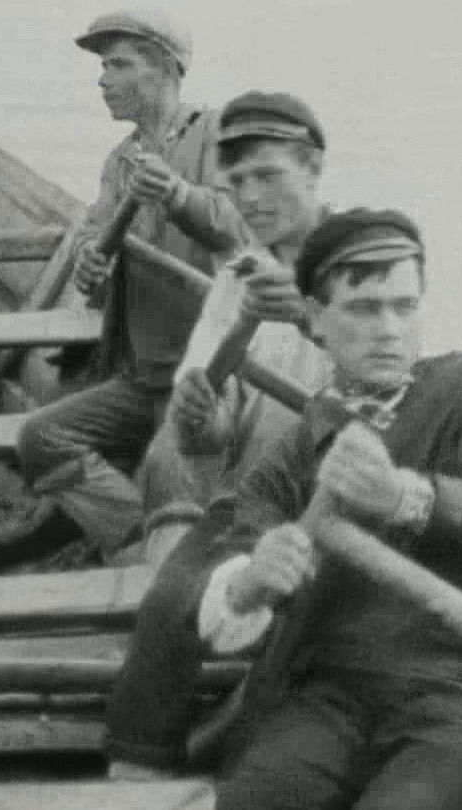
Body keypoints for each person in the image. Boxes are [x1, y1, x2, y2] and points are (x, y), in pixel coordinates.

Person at [191, 209, 462, 807]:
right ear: (315, 318)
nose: (390, 330)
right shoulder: (291, 456)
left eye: (404, 306)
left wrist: (403, 497)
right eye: (364, 309)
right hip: (338, 692)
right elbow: (233, 576)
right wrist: (250, 583)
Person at [105, 90, 337, 776]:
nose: (251, 197)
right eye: (237, 180)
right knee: (167, 607)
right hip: (259, 498)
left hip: (353, 501)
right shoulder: (236, 279)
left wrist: (313, 317)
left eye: (268, 175)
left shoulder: (367, 261)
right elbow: (209, 440)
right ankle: (138, 774)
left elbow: (407, 394)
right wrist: (199, 416)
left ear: (313, 168)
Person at [15, 8, 251, 557]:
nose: (103, 80)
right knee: (40, 439)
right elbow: (97, 252)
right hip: (143, 376)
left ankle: (167, 552)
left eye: (117, 65)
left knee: (171, 469)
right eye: (103, 67)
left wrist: (178, 194)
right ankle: (136, 539)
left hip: (208, 376)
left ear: (164, 68)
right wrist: (91, 268)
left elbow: (242, 230)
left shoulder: (217, 134)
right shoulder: (119, 163)